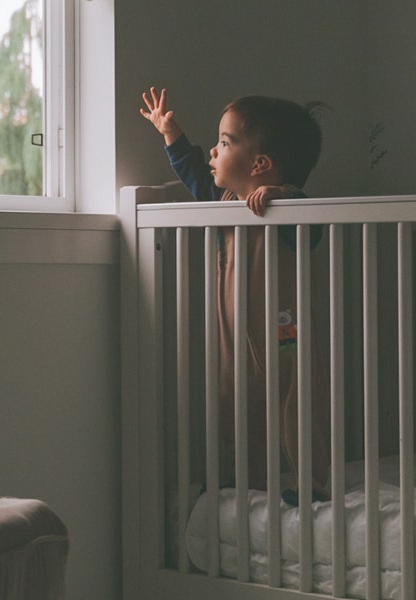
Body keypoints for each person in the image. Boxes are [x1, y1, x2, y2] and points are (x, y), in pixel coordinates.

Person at [141, 87, 331, 505]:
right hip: (234, 338)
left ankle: (313, 482)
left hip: (286, 334)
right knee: (237, 407)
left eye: (224, 143)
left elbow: (312, 229)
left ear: (261, 165)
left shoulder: (289, 210)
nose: (214, 150)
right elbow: (194, 172)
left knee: (296, 405)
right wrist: (171, 133)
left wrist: (284, 197)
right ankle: (252, 481)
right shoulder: (224, 201)